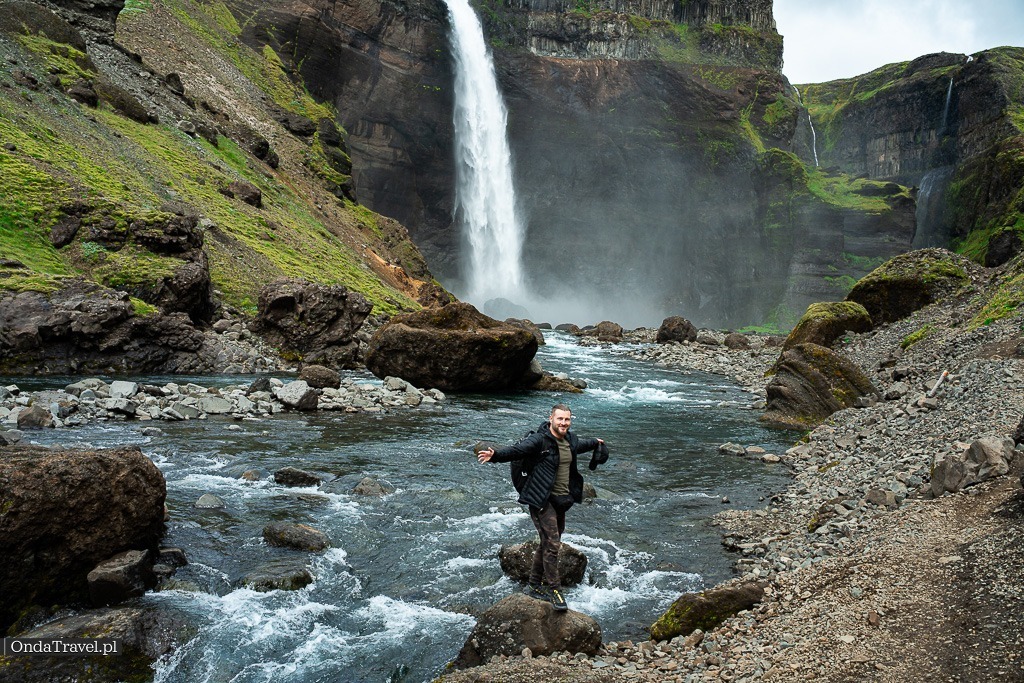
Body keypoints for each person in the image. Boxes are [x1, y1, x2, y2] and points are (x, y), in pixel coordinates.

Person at [477, 403, 607, 611]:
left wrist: (596, 443)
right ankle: (555, 590)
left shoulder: (570, 440)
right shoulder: (539, 440)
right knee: (553, 544)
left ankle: (534, 584)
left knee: (547, 542)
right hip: (541, 499)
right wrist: (496, 456)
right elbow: (517, 451)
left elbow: (580, 445)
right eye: (560, 419)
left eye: (567, 419)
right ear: (551, 418)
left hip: (561, 500)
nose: (563, 423)